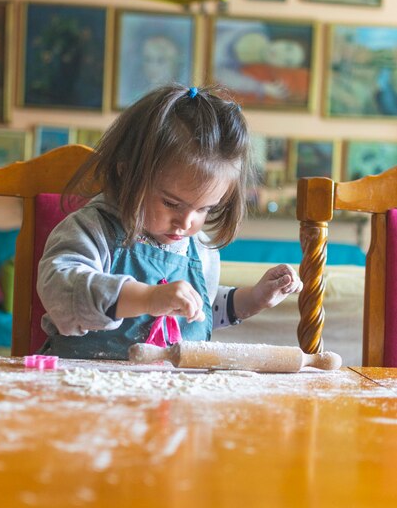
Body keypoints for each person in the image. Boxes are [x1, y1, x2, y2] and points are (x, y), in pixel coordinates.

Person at [37, 84, 302, 360]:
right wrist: (148, 298)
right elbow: (62, 290)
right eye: (171, 203)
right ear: (127, 174)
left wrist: (253, 299)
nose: (186, 222)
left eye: (205, 209)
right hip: (85, 387)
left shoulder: (199, 249)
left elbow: (201, 310)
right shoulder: (93, 229)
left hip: (169, 395)